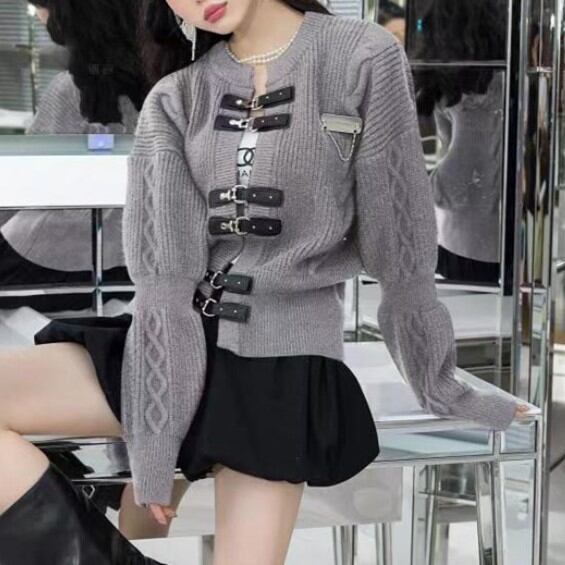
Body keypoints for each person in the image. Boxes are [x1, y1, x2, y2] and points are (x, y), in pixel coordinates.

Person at [0, 2, 530, 564]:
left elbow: (400, 249)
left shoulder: (361, 55)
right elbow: (164, 284)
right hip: (174, 349)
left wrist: (440, 381)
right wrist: (154, 453)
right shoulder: (176, 96)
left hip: (281, 365)